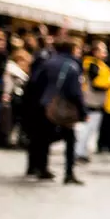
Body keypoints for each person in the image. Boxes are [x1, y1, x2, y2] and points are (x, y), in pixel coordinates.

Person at [23, 38, 86, 184]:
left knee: (41, 138)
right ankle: (69, 173)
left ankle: (39, 167)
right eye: (78, 49)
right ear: (72, 50)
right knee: (70, 138)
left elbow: (34, 83)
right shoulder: (72, 66)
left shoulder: (48, 62)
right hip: (61, 108)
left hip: (42, 105)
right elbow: (75, 92)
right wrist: (83, 112)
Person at [75, 41, 110, 162]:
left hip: (98, 102)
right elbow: (96, 84)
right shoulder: (91, 64)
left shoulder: (99, 64)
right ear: (95, 51)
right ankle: (79, 151)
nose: (105, 52)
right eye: (102, 50)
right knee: (86, 128)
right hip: (91, 101)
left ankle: (82, 151)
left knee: (91, 129)